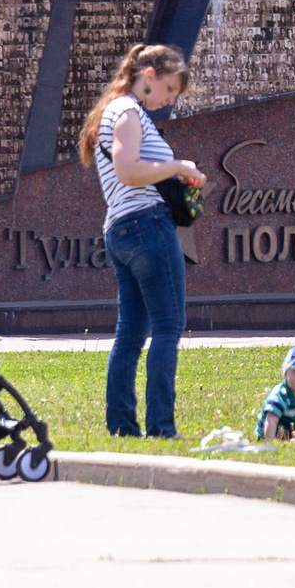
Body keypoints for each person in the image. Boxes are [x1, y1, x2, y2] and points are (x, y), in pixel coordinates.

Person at [82, 43, 201, 438]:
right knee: (168, 325)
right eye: (169, 89)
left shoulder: (116, 111)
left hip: (120, 229)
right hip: (147, 225)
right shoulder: (127, 111)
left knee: (130, 332)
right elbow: (128, 171)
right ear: (148, 76)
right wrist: (179, 166)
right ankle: (162, 427)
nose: (169, 100)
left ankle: (121, 425)